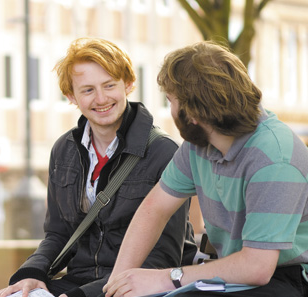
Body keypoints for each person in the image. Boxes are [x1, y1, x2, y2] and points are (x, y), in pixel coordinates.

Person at [0, 37, 197, 297]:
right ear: (71, 96)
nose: (101, 99)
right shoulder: (63, 150)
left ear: (128, 84)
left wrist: (83, 295)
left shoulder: (164, 152)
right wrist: (31, 273)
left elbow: (162, 258)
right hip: (78, 281)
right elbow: (57, 233)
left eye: (109, 85)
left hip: (140, 286)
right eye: (87, 90)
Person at [102, 41, 308, 297]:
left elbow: (257, 267)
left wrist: (169, 277)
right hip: (236, 270)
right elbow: (154, 210)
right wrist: (117, 285)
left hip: (289, 276)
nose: (170, 110)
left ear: (193, 113)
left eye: (171, 101)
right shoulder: (199, 145)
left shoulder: (274, 157)